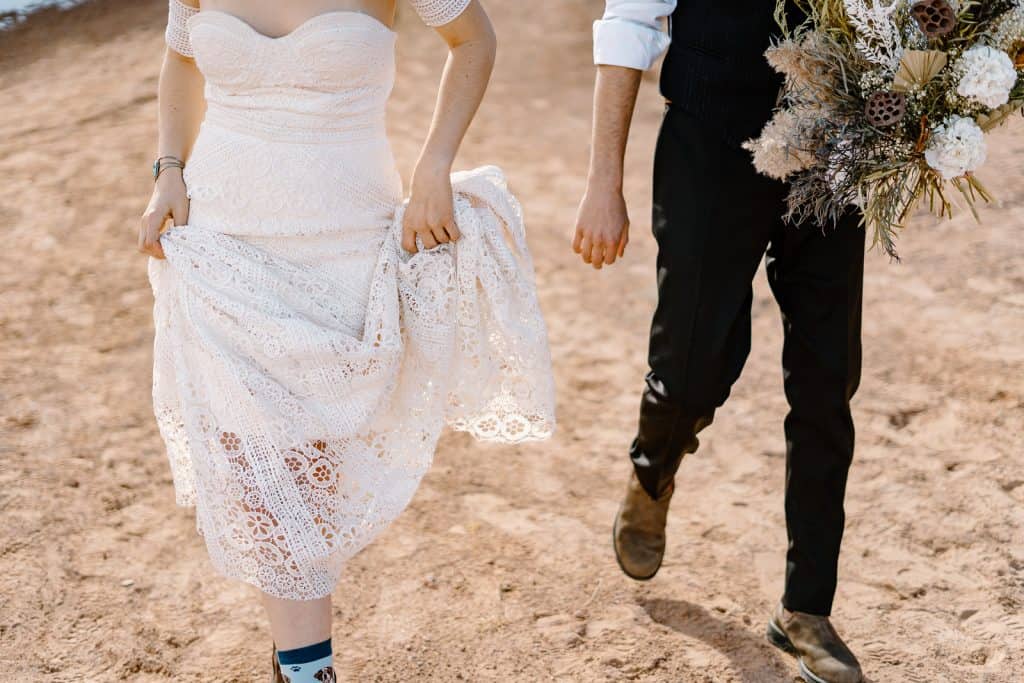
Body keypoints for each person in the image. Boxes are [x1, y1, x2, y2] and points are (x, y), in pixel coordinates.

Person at [139, 1, 555, 680]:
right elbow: (181, 57)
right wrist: (168, 168)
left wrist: (433, 166)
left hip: (342, 244)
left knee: (312, 469)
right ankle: (310, 668)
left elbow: (473, 39)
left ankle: (294, 656)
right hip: (223, 239)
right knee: (264, 465)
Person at [573, 2, 866, 682]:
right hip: (711, 141)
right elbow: (628, 27)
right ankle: (654, 465)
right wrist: (603, 182)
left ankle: (806, 607)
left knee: (829, 379)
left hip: (837, 147)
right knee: (693, 366)